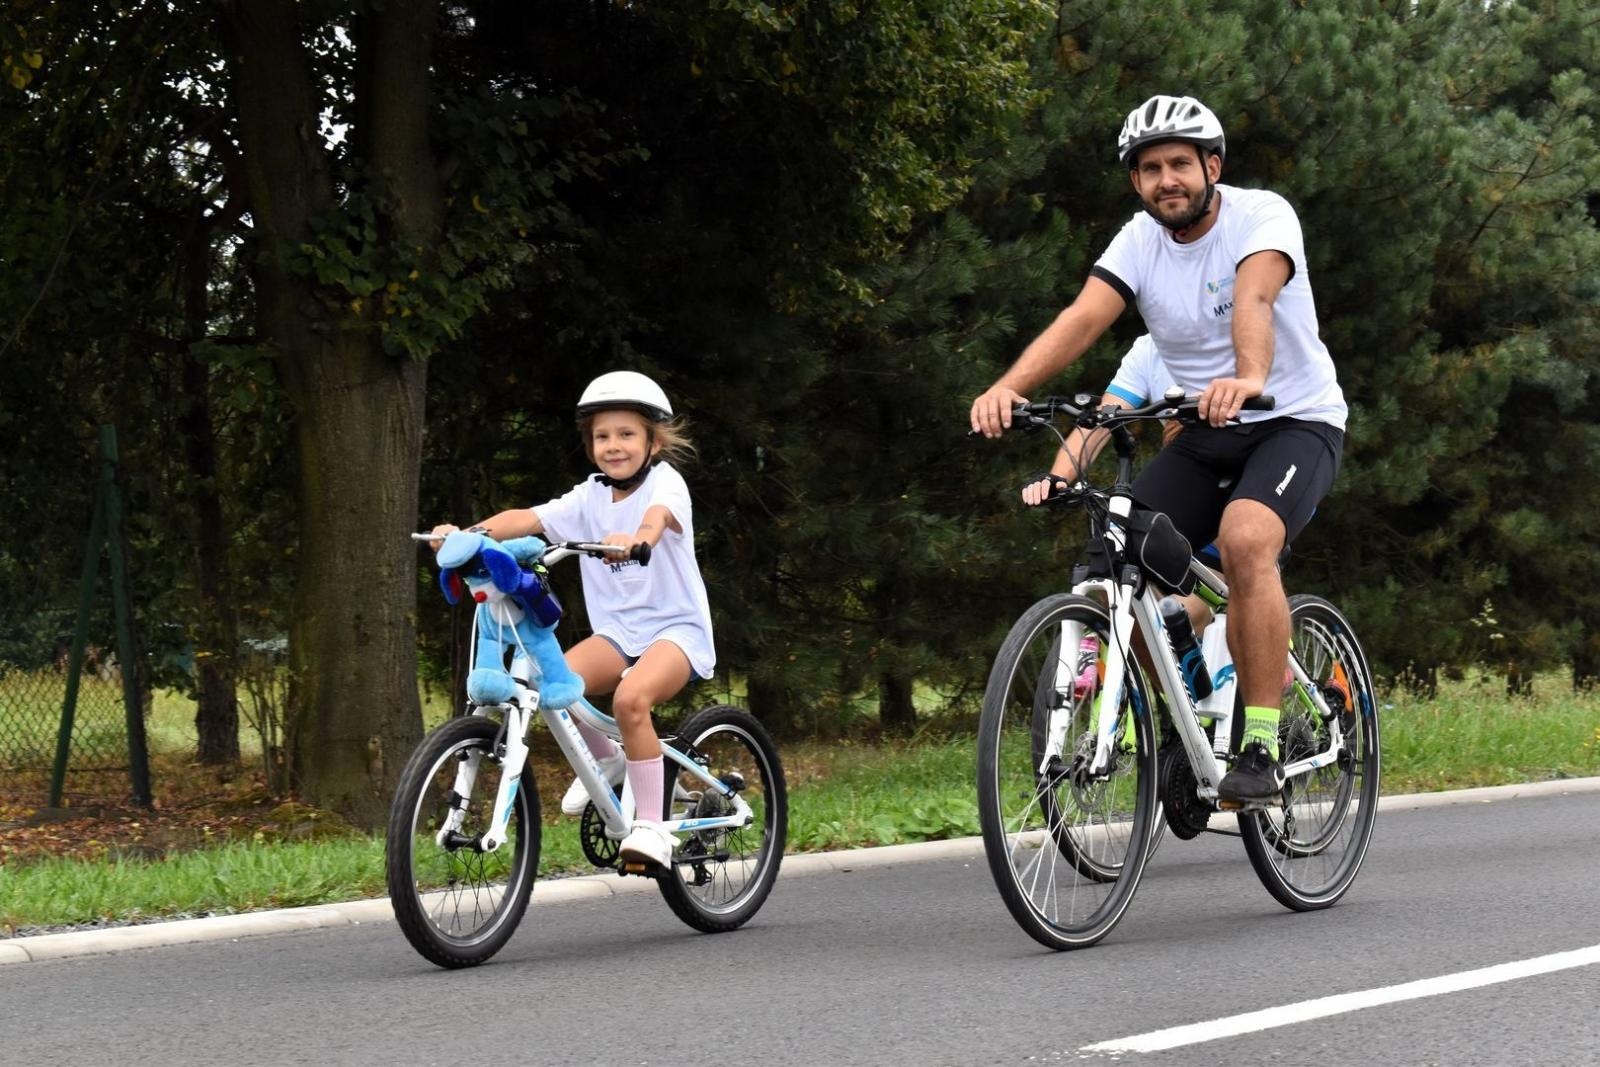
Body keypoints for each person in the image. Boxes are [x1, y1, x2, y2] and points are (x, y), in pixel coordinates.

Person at [972, 94, 1346, 804]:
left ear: (1212, 165)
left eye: (1179, 163)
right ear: (1136, 181)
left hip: (1292, 420)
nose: (1165, 179)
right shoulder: (1137, 242)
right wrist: (1007, 388)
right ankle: (1180, 726)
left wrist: (1249, 377)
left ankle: (1260, 742)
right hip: (1208, 431)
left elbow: (1255, 301)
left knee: (1244, 540)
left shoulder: (1262, 216)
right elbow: (1083, 316)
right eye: (1149, 168)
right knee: (1119, 553)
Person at [431, 370, 714, 867]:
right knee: (546, 678)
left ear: (652, 441)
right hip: (618, 634)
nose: (614, 445)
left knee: (630, 699)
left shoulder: (667, 485)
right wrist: (469, 536)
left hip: (676, 632)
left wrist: (637, 538)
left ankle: (650, 826)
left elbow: (658, 518)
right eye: (602, 436)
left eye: (627, 434)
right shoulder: (589, 496)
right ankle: (610, 763)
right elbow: (528, 518)